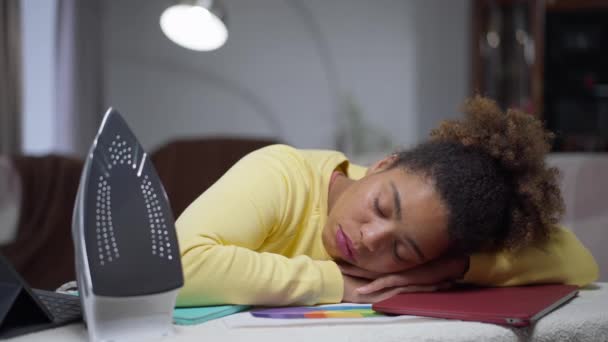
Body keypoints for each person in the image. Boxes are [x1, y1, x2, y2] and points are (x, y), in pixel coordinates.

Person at [175, 96, 598, 307]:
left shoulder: (439, 243)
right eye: (380, 206)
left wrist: (454, 266)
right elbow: (179, 266)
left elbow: (582, 263)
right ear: (382, 165)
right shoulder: (282, 174)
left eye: (401, 250)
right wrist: (337, 284)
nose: (369, 239)